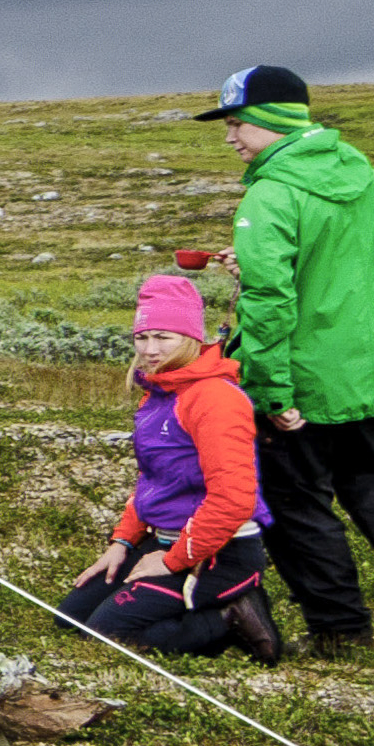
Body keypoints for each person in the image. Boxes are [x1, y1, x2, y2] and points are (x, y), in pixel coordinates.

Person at [203, 63, 374, 660]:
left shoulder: (271, 194)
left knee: (297, 506)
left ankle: (339, 630)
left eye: (237, 123)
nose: (230, 138)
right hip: (365, 372)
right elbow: (370, 260)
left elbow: (272, 302)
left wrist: (272, 394)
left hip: (301, 377)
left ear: (270, 120)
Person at [54, 273, 286, 668]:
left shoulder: (214, 399)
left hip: (219, 551)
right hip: (165, 537)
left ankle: (230, 615)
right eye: (142, 337)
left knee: (107, 636)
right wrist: (122, 544)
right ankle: (189, 601)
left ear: (192, 338)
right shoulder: (160, 393)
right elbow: (153, 479)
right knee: (69, 620)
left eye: (164, 337)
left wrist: (171, 561)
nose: (149, 349)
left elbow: (233, 500)